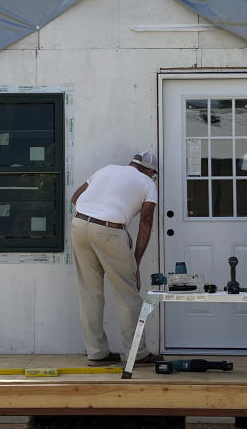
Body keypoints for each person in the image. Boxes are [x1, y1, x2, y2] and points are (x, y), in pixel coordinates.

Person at [70, 152, 163, 365]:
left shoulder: (106, 169)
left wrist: (93, 212)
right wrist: (136, 263)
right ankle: (137, 353)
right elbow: (146, 223)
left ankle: (96, 353)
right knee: (127, 293)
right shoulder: (147, 182)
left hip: (79, 225)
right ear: (149, 171)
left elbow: (75, 198)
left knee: (89, 293)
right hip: (110, 230)